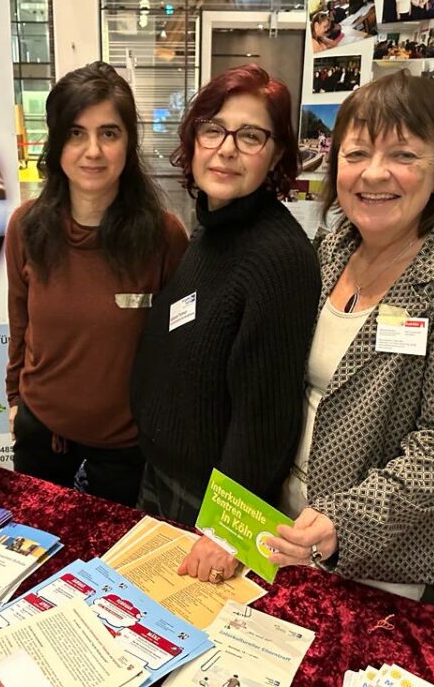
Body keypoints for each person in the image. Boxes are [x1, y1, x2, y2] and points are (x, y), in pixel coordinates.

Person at [268, 70, 434, 597]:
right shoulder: (327, 253)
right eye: (356, 154)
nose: (374, 174)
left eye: (402, 155)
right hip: (285, 525)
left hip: (377, 555)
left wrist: (342, 523)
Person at [131, 64, 320, 583]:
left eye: (251, 135)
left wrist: (226, 531)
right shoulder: (213, 229)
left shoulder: (278, 256)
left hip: (207, 510)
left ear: (277, 153)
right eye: (212, 129)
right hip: (163, 482)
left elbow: (268, 411)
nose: (227, 148)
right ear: (193, 140)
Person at [5, 61, 189, 507]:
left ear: (128, 144)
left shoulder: (164, 236)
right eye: (75, 133)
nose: (93, 151)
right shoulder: (26, 227)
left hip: (127, 451)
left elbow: (179, 353)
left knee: (111, 570)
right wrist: (14, 400)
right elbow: (19, 323)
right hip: (41, 436)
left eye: (109, 133)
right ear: (56, 143)